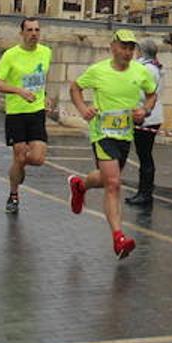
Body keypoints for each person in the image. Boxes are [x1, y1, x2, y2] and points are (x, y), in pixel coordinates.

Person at [67, 29, 156, 259]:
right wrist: (83, 109)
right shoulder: (98, 71)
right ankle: (118, 238)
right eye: (123, 47)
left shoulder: (140, 70)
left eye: (131, 48)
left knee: (106, 178)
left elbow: (151, 94)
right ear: (113, 47)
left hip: (124, 135)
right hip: (101, 133)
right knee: (114, 183)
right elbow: (75, 87)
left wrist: (144, 110)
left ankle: (79, 186)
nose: (127, 52)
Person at [0, 17, 52, 215]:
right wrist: (18, 91)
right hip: (16, 113)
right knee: (18, 155)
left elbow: (40, 79)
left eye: (37, 30)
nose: (34, 33)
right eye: (30, 30)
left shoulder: (46, 52)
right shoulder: (11, 55)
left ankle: (19, 166)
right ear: (22, 33)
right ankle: (14, 194)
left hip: (37, 112)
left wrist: (46, 96)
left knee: (38, 158)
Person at [125, 37, 164, 208]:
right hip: (151, 116)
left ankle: (145, 192)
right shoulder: (154, 67)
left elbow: (144, 93)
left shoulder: (147, 68)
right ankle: (145, 189)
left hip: (146, 117)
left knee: (145, 156)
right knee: (145, 155)